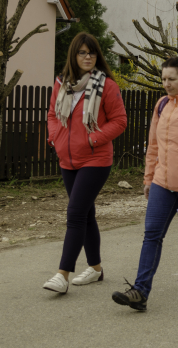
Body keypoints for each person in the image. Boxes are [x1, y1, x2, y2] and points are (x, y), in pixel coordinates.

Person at [112, 57, 178, 311]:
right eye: (163, 79)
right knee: (152, 235)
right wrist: (149, 178)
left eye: (172, 79)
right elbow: (154, 146)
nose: (166, 84)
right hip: (163, 184)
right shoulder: (162, 105)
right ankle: (140, 291)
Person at [43, 33, 127, 294]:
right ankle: (96, 269)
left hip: (95, 159)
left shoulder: (108, 86)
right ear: (74, 56)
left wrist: (94, 139)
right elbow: (53, 114)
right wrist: (55, 137)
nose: (88, 57)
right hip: (67, 160)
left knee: (76, 213)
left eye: (91, 52)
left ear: (97, 55)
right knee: (87, 215)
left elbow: (119, 121)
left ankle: (62, 275)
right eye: (82, 52)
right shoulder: (62, 83)